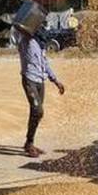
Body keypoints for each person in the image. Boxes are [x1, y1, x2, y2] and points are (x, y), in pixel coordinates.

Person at [15, 23, 65, 158]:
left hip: (40, 81)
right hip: (29, 79)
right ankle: (29, 143)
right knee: (38, 110)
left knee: (37, 114)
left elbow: (45, 65)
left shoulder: (41, 46)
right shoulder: (27, 41)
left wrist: (56, 81)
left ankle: (29, 142)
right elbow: (19, 27)